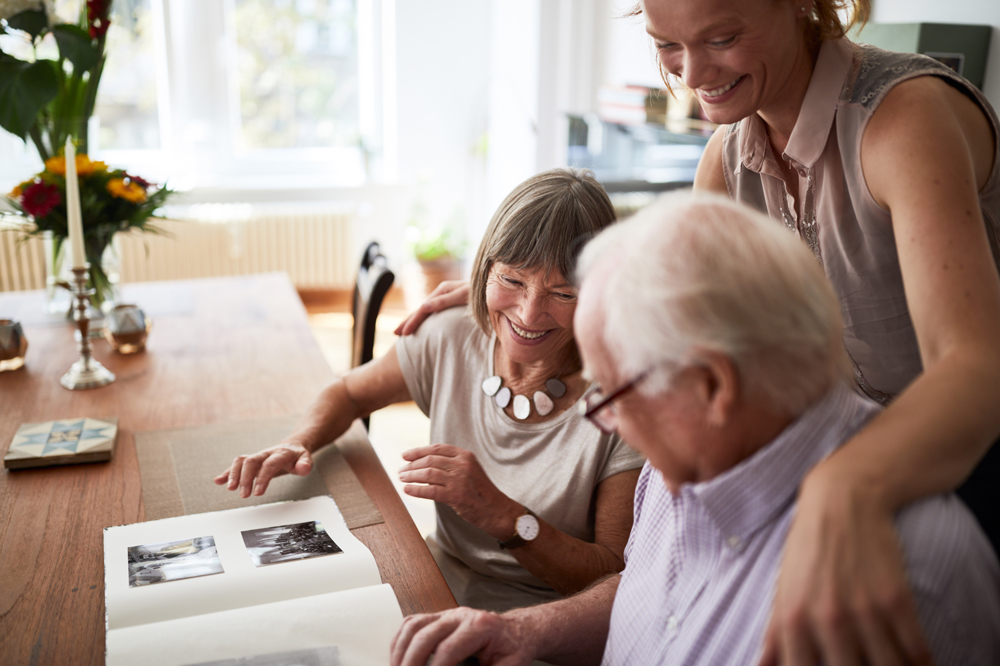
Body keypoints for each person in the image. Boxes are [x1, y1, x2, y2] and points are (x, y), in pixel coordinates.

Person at [394, 1, 1000, 663]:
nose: (692, 73)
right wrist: (510, 290)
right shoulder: (729, 153)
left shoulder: (902, 120)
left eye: (722, 37)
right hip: (806, 460)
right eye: (666, 45)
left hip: (948, 456)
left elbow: (976, 369)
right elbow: (669, 298)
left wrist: (844, 486)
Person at [215, 167, 644, 612]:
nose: (529, 314)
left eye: (563, 293)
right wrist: (297, 442)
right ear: (485, 269)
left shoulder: (624, 401)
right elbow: (348, 393)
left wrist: (506, 518)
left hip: (546, 621)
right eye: (513, 281)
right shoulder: (451, 334)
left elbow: (610, 571)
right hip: (435, 578)